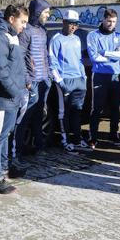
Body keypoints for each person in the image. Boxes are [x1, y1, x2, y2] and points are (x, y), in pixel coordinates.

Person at [0, 4, 29, 194]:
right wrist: (15, 91)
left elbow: (17, 65)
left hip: (12, 97)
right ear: (11, 19)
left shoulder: (12, 36)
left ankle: (3, 170)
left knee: (5, 136)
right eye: (23, 22)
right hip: (3, 98)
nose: (24, 26)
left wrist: (25, 83)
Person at [48, 10, 89, 152]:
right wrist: (60, 81)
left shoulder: (77, 39)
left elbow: (79, 60)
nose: (73, 27)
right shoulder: (56, 39)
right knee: (63, 112)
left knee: (77, 111)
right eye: (71, 23)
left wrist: (84, 76)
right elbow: (52, 61)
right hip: (65, 80)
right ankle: (64, 140)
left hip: (79, 80)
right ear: (64, 23)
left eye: (76, 24)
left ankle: (77, 139)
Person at [86, 8, 120, 149]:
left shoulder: (119, 36)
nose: (111, 24)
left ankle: (113, 136)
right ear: (103, 19)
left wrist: (104, 52)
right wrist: (112, 55)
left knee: (116, 107)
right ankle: (93, 137)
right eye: (109, 21)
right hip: (99, 76)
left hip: (115, 75)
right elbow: (94, 57)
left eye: (114, 21)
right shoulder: (93, 36)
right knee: (96, 108)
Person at [18, 0, 51, 157]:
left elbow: (45, 56)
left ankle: (39, 146)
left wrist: (49, 76)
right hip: (31, 82)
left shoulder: (43, 31)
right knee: (24, 117)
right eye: (45, 12)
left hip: (44, 81)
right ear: (37, 12)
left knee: (39, 115)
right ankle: (17, 150)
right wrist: (27, 81)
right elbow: (20, 57)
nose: (48, 15)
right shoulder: (26, 31)